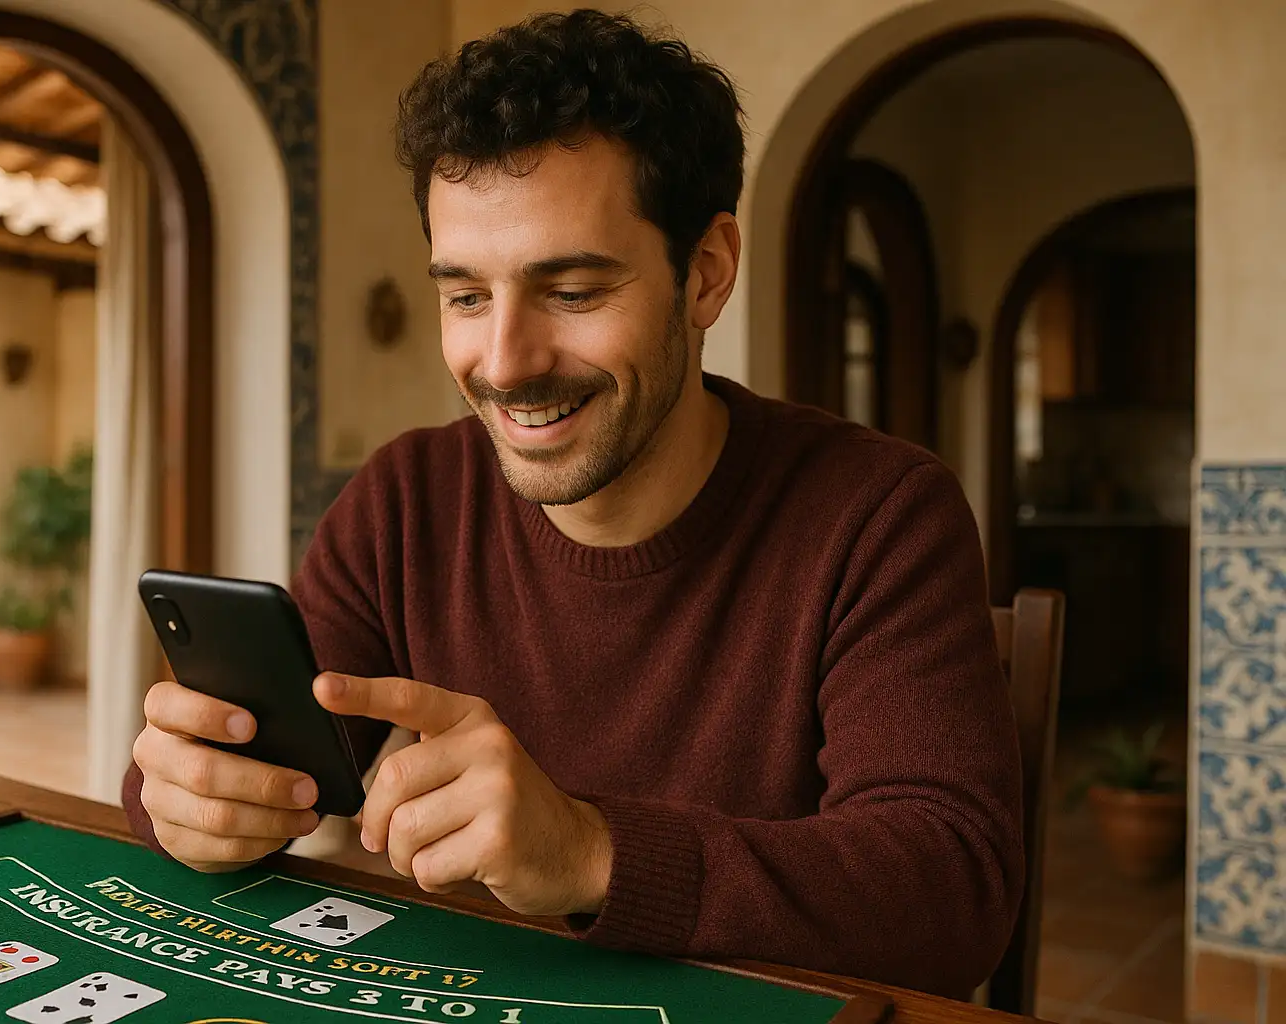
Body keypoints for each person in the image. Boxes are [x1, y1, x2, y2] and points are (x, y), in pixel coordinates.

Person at [122, 8, 1023, 1000]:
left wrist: (591, 850)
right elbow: (243, 753)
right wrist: (191, 793)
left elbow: (952, 896)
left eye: (574, 289)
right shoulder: (405, 499)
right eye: (465, 295)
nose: (504, 363)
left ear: (707, 274)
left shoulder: (880, 515)